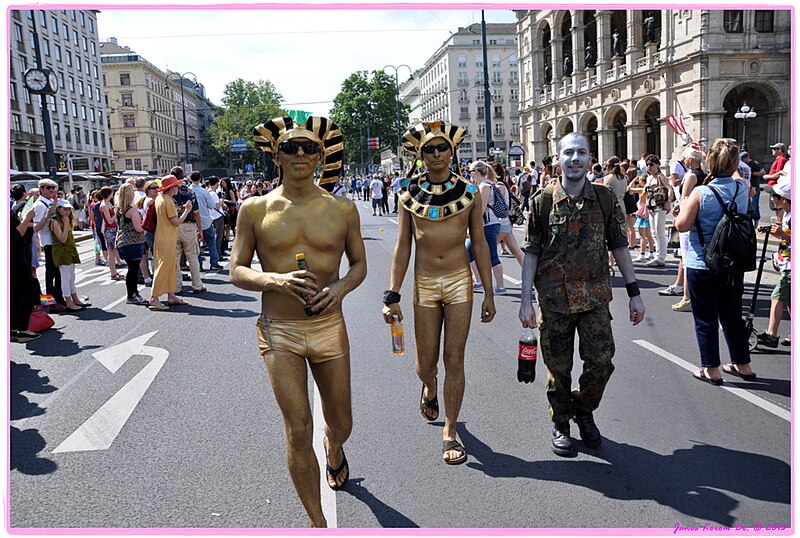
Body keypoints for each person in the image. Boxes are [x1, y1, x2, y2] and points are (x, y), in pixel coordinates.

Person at [235, 116, 365, 527]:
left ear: (321, 155)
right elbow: (237, 270)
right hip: (279, 330)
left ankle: (335, 446)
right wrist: (272, 278)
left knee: (341, 421)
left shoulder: (342, 209)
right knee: (296, 427)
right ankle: (316, 523)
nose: (301, 155)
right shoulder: (254, 209)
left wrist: (340, 288)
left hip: (329, 327)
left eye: (309, 148)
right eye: (291, 148)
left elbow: (359, 265)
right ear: (277, 155)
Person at [519, 132, 645, 456]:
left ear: (590, 159)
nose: (575, 159)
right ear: (557, 159)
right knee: (558, 368)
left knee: (601, 362)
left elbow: (619, 246)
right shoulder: (542, 201)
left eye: (582, 153)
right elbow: (531, 252)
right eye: (568, 153)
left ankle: (583, 408)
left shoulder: (604, 199)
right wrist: (525, 301)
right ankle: (561, 420)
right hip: (554, 301)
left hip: (594, 299)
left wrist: (635, 293)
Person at [383, 121, 496, 466]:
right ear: (420, 154)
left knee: (455, 360)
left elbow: (479, 242)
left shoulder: (469, 192)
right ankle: (429, 386)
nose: (436, 154)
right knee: (425, 363)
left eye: (441, 148)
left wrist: (489, 292)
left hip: (460, 282)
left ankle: (450, 430)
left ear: (452, 152)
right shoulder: (407, 193)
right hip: (425, 285)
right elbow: (403, 245)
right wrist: (392, 293)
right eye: (429, 149)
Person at [673, 138, 754, 385]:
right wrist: (727, 156)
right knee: (732, 314)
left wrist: (684, 202)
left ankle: (711, 368)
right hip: (732, 263)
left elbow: (682, 225)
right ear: (734, 163)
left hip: (703, 262)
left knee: (706, 317)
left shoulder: (701, 192)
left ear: (709, 163)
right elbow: (737, 175)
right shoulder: (742, 188)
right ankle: (743, 364)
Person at [660, 148, 705, 312]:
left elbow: (683, 199)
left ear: (691, 160)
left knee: (687, 259)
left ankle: (687, 297)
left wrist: (678, 215)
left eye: (685, 158)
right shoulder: (703, 174)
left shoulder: (692, 176)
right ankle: (685, 292)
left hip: (687, 219)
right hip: (697, 218)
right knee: (685, 258)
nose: (683, 161)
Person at [148, 175, 194, 311]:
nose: (178, 188)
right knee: (163, 267)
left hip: (162, 237)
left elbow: (169, 217)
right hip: (167, 238)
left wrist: (180, 210)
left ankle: (171, 295)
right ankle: (154, 298)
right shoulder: (168, 201)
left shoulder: (161, 199)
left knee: (169, 267)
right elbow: (176, 222)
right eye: (176, 186)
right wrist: (187, 211)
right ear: (171, 188)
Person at [757, 176, 791, 348]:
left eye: (774, 196)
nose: (771, 199)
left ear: (783, 199)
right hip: (787, 263)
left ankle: (771, 335)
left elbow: (788, 235)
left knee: (777, 296)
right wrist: (770, 230)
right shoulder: (787, 214)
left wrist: (783, 235)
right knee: (790, 299)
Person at [466, 161, 508, 294]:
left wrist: (471, 226)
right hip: (488, 224)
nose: (469, 174)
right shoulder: (484, 185)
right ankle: (478, 281)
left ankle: (500, 286)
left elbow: (481, 209)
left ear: (476, 172)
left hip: (488, 224)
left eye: (471, 172)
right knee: (469, 250)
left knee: (492, 255)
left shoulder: (485, 186)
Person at [32, 178, 67, 311]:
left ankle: (58, 299)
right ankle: (50, 303)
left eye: (53, 188)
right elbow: (35, 227)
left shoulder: (49, 202)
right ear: (41, 189)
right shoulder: (40, 205)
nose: (51, 190)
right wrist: (47, 217)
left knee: (56, 273)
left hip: (54, 241)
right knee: (51, 274)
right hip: (48, 242)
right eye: (48, 188)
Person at [170, 166, 205, 294]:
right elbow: (196, 213)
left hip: (173, 226)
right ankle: (197, 285)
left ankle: (177, 287)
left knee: (175, 258)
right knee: (192, 256)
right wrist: (200, 230)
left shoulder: (168, 192)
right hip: (188, 226)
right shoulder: (189, 192)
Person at [50, 199, 89, 311]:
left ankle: (74, 298)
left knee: (71, 276)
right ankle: (67, 302)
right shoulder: (55, 222)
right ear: (58, 209)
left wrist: (67, 222)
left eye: (68, 209)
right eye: (64, 209)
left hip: (69, 250)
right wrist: (67, 224)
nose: (67, 212)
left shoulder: (66, 219)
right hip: (62, 251)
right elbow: (62, 239)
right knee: (65, 277)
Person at [11, 203, 41, 342]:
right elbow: (16, 235)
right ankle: (23, 329)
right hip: (15, 257)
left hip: (15, 256)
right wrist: (28, 217)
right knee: (26, 288)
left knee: (15, 291)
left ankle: (13, 328)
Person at [115, 183, 148, 305]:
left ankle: (133, 294)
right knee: (133, 270)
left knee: (132, 269)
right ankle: (132, 295)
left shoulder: (119, 209)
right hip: (133, 241)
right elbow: (138, 228)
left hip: (123, 241)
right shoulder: (132, 210)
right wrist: (146, 224)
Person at [189, 171, 222, 271]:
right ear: (200, 180)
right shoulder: (204, 191)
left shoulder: (188, 191)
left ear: (190, 179)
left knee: (196, 245)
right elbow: (212, 205)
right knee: (211, 242)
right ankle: (214, 263)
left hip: (192, 221)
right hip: (205, 220)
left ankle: (199, 265)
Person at [644, 156, 673, 267]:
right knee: (654, 232)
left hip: (659, 206)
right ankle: (658, 255)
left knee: (659, 231)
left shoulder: (660, 177)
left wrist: (668, 202)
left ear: (657, 165)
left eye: (651, 164)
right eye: (647, 165)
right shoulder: (649, 178)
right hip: (651, 207)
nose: (649, 167)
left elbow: (669, 188)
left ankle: (661, 257)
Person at [99, 186, 125, 281]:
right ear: (109, 194)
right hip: (109, 229)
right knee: (111, 251)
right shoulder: (104, 206)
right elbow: (109, 220)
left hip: (112, 229)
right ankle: (113, 273)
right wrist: (115, 213)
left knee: (113, 251)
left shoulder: (108, 203)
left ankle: (114, 271)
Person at [764, 143, 789, 221]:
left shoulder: (781, 159)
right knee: (776, 207)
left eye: (775, 149)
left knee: (778, 207)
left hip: (776, 186)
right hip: (774, 186)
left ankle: (780, 223)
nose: (773, 150)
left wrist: (767, 176)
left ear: (780, 150)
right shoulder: (779, 159)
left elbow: (779, 174)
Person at [741, 151, 765, 226]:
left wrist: (752, 173)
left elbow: (762, 172)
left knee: (754, 204)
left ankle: (756, 222)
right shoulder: (742, 164)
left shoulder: (755, 163)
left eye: (743, 158)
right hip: (746, 186)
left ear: (747, 158)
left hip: (754, 186)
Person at [206, 177, 226, 263]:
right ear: (217, 183)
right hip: (217, 216)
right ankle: (218, 254)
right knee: (219, 237)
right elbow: (217, 206)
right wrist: (221, 200)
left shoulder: (207, 192)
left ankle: (216, 254)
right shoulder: (214, 194)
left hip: (211, 216)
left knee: (214, 237)